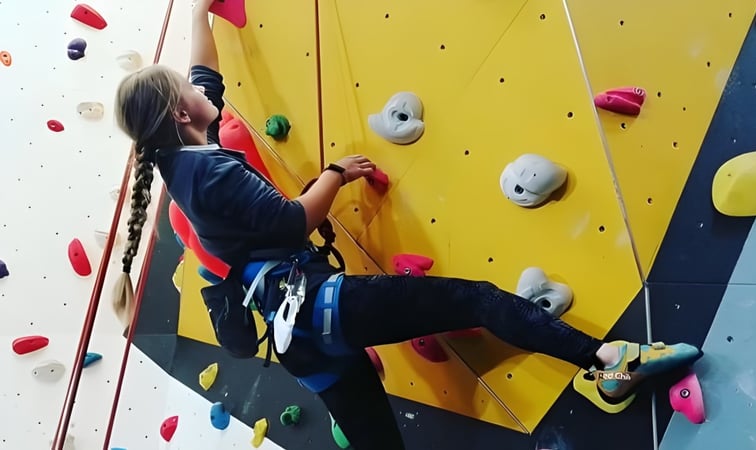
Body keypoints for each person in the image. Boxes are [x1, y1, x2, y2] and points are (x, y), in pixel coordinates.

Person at [112, 1, 702, 448]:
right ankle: (609, 363)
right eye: (187, 90)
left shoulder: (182, 163)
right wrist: (336, 173)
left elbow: (204, 71)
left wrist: (196, 9)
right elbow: (293, 221)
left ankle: (609, 365)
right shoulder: (207, 171)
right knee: (476, 301)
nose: (199, 88)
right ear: (177, 111)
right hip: (323, 304)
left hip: (301, 344)